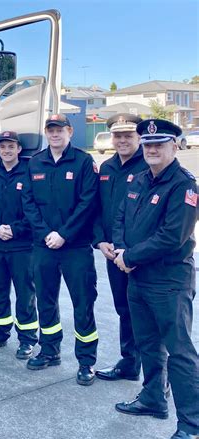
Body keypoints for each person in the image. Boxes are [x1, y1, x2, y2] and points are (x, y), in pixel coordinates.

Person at [113, 119, 198, 439]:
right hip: (138, 277)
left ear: (175, 146)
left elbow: (172, 236)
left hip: (168, 280)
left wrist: (129, 256)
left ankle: (191, 425)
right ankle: (152, 398)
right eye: (147, 143)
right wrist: (120, 249)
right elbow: (121, 215)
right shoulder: (139, 178)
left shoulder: (184, 185)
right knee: (147, 343)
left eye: (159, 144)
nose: (151, 149)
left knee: (179, 352)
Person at [22, 113, 99, 386]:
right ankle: (50, 350)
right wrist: (46, 235)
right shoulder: (35, 162)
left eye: (60, 130)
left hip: (75, 247)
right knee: (45, 300)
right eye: (50, 130)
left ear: (69, 131)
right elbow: (28, 202)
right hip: (43, 247)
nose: (55, 135)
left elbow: (88, 202)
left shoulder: (83, 161)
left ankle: (86, 361)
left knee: (83, 303)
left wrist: (64, 234)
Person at [93, 113, 148, 381]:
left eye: (128, 134)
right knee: (123, 307)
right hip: (112, 252)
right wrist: (100, 240)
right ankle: (129, 363)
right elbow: (98, 209)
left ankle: (150, 371)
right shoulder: (106, 168)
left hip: (138, 254)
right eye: (118, 135)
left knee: (143, 311)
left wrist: (130, 249)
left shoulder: (148, 165)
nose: (123, 140)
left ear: (139, 137)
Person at [0, 131, 38, 359]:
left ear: (19, 149)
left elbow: (34, 208)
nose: (7, 150)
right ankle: (0, 333)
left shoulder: (30, 173)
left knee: (25, 294)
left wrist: (15, 229)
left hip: (22, 246)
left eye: (11, 146)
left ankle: (27, 338)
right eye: (3, 146)